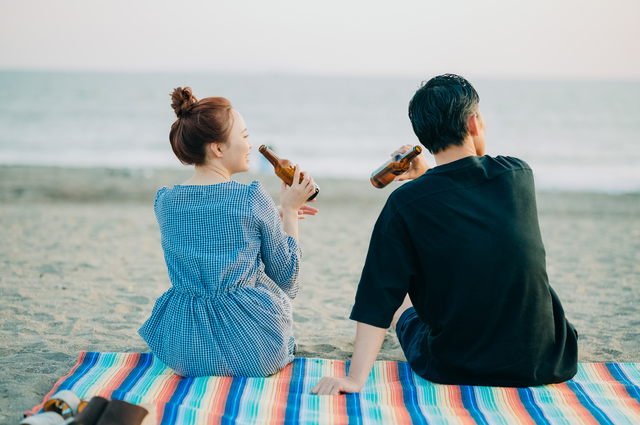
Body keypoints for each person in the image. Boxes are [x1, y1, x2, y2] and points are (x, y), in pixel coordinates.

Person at [311, 74, 578, 394]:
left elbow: (376, 297)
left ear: (423, 137)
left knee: (399, 297)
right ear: (474, 123)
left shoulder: (405, 203)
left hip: (458, 363)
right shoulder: (518, 174)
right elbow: (471, 182)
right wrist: (429, 176)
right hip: (548, 359)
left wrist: (355, 379)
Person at [139, 87, 318, 377]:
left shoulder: (165, 202)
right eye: (244, 136)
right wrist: (290, 213)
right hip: (252, 351)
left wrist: (271, 214)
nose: (250, 145)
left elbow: (210, 220)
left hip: (185, 350)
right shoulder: (251, 198)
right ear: (218, 148)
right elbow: (287, 281)